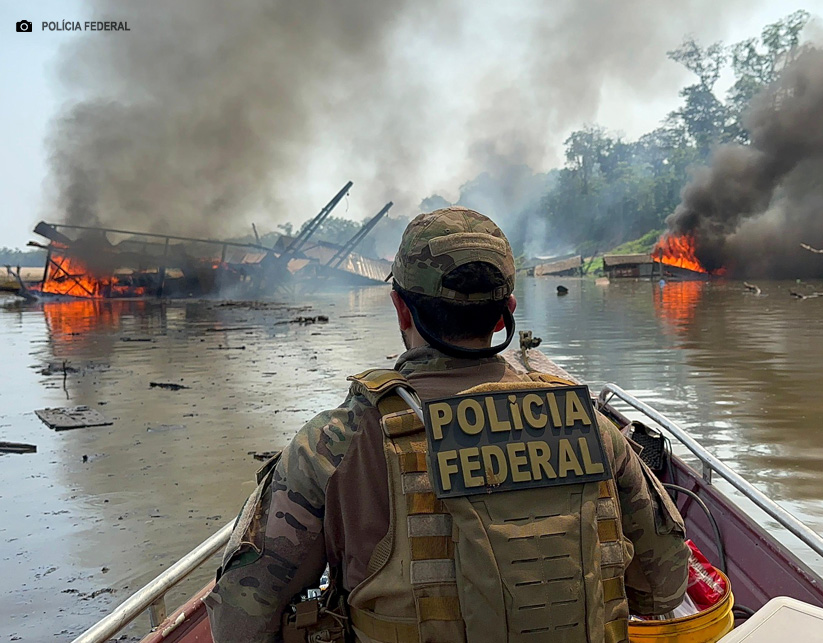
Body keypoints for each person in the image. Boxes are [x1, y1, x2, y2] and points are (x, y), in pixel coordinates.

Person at [204, 206, 689, 643]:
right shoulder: (590, 426)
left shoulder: (337, 443)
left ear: (400, 307)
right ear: (507, 315)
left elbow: (239, 622)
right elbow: (664, 588)